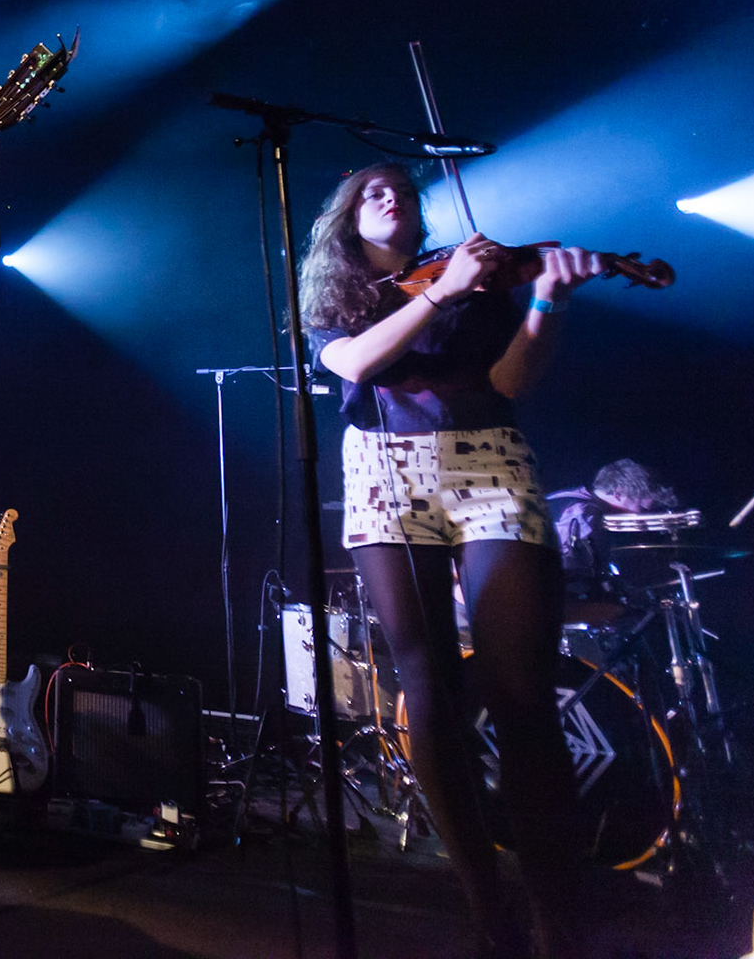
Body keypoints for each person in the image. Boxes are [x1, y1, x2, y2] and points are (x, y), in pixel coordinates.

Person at [300, 162, 605, 957]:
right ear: (347, 217)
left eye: (403, 188)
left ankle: (561, 921)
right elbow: (354, 364)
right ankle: (486, 909)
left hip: (489, 464)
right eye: (372, 191)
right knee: (425, 684)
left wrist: (544, 302)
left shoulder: (474, 279)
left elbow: (511, 379)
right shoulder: (339, 297)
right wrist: (440, 290)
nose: (392, 196)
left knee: (521, 691)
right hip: (384, 471)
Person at [550, 458, 680, 597]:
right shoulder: (583, 513)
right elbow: (573, 573)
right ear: (618, 494)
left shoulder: (570, 496)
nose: (642, 515)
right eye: (642, 509)